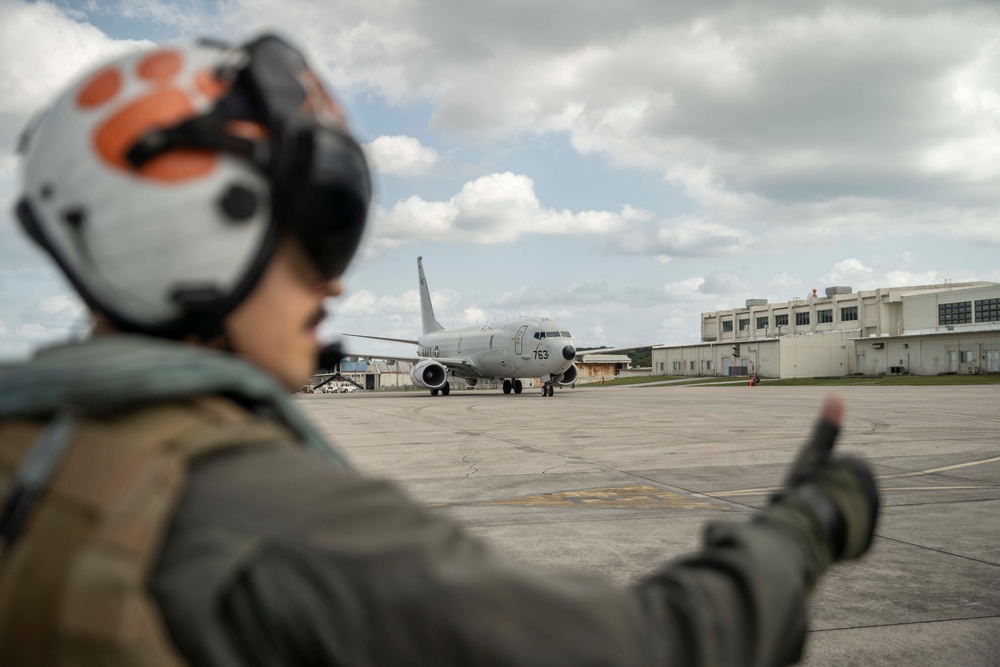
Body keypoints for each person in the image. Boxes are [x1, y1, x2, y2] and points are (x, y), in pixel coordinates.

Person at [0, 34, 879, 667]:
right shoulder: (281, 517)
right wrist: (806, 524)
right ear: (198, 239)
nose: (334, 287)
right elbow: (648, 645)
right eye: (326, 230)